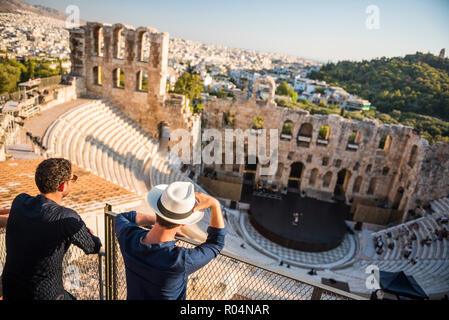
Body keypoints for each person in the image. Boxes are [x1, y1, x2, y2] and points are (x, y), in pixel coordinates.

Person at [2, 158, 102, 300]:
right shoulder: (66, 217)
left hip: (11, 290)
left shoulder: (20, 201)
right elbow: (93, 246)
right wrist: (84, 232)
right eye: (72, 179)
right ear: (62, 186)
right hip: (44, 294)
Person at [115, 181, 226, 300]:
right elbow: (216, 243)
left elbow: (122, 217)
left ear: (157, 211)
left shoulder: (129, 239)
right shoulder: (180, 261)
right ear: (183, 223)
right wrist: (215, 204)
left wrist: (156, 221)